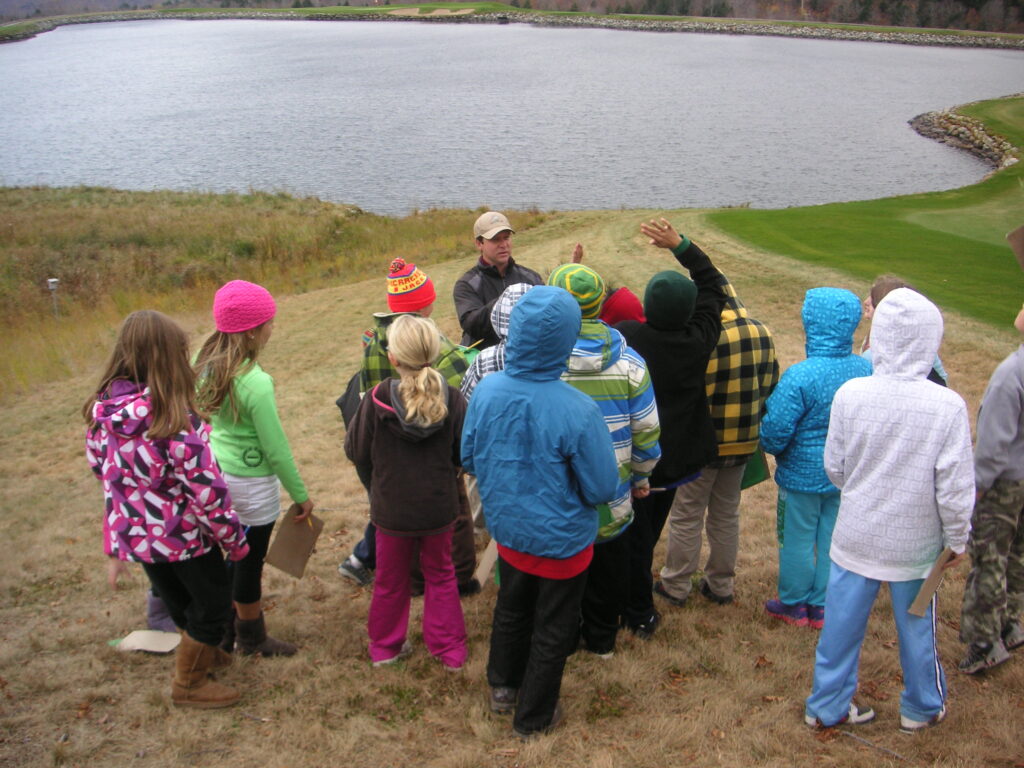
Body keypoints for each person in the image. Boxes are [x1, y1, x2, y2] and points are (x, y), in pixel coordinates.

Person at [805, 288, 974, 733]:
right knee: (916, 628)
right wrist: (957, 537)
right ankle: (920, 705)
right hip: (913, 543)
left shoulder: (852, 394)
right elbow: (954, 487)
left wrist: (864, 491)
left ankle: (826, 704)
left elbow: (835, 466)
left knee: (840, 625)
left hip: (858, 532)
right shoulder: (946, 405)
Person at [462, 286, 618, 737]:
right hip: (563, 542)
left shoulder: (488, 390)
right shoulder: (578, 410)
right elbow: (602, 486)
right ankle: (533, 718)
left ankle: (503, 687)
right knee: (553, 627)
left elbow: (469, 457)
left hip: (509, 531)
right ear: (567, 339)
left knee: (511, 608)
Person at [85, 310, 249, 708]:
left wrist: (117, 541)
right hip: (183, 539)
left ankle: (204, 655)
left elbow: (103, 476)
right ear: (169, 360)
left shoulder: (102, 416)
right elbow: (208, 489)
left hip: (141, 541)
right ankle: (189, 684)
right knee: (212, 606)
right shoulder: (174, 420)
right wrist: (234, 540)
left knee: (182, 604)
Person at [337, 258, 477, 594]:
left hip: (383, 453)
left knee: (390, 514)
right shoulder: (433, 344)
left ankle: (373, 564)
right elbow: (461, 390)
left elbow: (366, 394)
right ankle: (446, 577)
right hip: (429, 456)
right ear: (425, 304)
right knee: (445, 521)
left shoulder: (374, 341)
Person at [614, 219, 727, 636]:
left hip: (631, 457)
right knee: (644, 534)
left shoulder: (627, 337)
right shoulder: (699, 339)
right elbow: (715, 287)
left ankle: (634, 607)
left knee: (634, 536)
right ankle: (637, 607)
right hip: (675, 462)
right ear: (689, 312)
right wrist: (682, 246)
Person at [656, 229, 779, 606]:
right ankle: (720, 585)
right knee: (726, 515)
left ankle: (676, 585)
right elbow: (771, 384)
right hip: (744, 442)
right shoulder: (761, 330)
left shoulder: (705, 336)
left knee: (687, 514)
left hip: (704, 443)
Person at [547, 261, 661, 657]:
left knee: (563, 576)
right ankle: (601, 641)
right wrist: (641, 476)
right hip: (613, 496)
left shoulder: (545, 365)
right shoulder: (630, 363)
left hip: (557, 500)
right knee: (609, 570)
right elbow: (647, 430)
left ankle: (562, 640)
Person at [195, 280, 314, 657]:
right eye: (269, 322)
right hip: (251, 486)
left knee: (224, 556)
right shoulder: (256, 383)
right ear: (251, 331)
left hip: (216, 476)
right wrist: (300, 496)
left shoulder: (204, 362)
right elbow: (275, 449)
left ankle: (223, 633)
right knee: (247, 562)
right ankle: (249, 636)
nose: (272, 328)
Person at [345, 315, 468, 670]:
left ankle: (385, 647)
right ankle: (449, 651)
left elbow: (355, 451)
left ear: (393, 358)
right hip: (438, 507)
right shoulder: (454, 398)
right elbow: (464, 453)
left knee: (389, 578)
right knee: (441, 575)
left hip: (391, 509)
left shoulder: (376, 398)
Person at [760, 288, 872, 629]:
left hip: (801, 478)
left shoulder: (801, 375)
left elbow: (775, 429)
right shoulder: (865, 369)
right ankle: (822, 605)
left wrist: (778, 449)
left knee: (795, 538)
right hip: (845, 474)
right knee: (831, 539)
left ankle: (793, 603)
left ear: (810, 323)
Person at [959, 299, 1024, 674]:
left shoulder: (1011, 373)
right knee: (1016, 555)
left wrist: (976, 488)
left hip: (1003, 485)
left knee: (990, 559)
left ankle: (985, 642)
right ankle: (1012, 622)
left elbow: (994, 446)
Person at [453, 211, 544, 349]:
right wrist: (508, 299)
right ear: (479, 244)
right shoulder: (466, 285)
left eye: (506, 238)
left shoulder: (531, 277)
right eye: (495, 239)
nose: (503, 244)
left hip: (525, 355)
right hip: (483, 361)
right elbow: (471, 325)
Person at [861, 274, 948, 386]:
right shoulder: (872, 335)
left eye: (872, 298)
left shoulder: (870, 356)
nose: (866, 302)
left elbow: (942, 382)